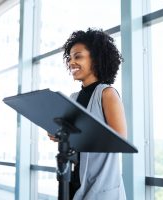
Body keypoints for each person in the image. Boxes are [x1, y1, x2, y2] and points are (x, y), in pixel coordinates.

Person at [48, 28, 127, 200]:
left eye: (78, 56)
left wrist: (78, 134)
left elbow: (119, 140)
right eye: (70, 58)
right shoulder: (73, 98)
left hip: (102, 187)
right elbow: (75, 144)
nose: (71, 62)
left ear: (96, 59)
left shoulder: (107, 94)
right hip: (74, 183)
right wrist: (61, 135)